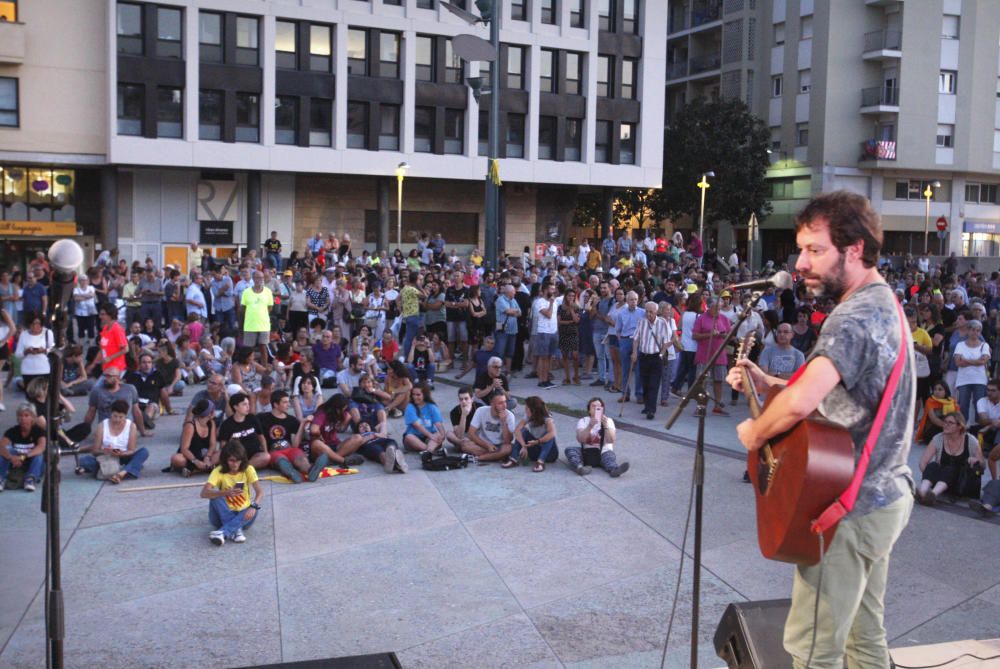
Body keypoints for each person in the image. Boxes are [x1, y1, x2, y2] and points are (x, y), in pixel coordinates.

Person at [726, 191, 915, 669]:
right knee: (865, 638)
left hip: (847, 511)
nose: (800, 263)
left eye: (815, 250)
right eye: (800, 250)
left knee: (813, 651)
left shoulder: (851, 316)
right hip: (883, 499)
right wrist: (771, 383)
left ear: (854, 249)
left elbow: (804, 402)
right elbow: (839, 393)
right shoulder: (881, 301)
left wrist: (754, 432)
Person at [200, 439, 265, 546]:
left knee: (255, 508)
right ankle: (235, 530)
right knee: (215, 496)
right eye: (232, 460)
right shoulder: (218, 471)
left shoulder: (248, 469)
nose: (235, 464)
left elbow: (260, 492)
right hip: (220, 517)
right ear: (225, 460)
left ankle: (223, 532)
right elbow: (203, 493)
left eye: (238, 460)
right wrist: (224, 493)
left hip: (243, 515)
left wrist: (253, 506)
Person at [916, 411, 986, 505]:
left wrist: (977, 461)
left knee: (950, 469)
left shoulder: (971, 440)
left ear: (959, 426)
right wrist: (931, 476)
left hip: (962, 484)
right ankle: (922, 492)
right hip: (941, 482)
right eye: (945, 422)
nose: (946, 425)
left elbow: (982, 465)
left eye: (950, 423)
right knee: (933, 465)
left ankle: (932, 495)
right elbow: (923, 462)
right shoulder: (938, 438)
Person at [259, 390, 324, 483]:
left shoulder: (291, 420)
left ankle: (310, 470)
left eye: (288, 402)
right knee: (281, 460)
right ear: (276, 404)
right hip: (274, 451)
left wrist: (302, 424)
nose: (288, 405)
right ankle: (291, 472)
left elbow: (295, 445)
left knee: (300, 458)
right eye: (285, 402)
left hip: (290, 449)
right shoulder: (262, 418)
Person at [76, 399, 148, 484]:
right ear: (111, 413)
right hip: (106, 457)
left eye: (121, 417)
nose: (117, 420)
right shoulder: (102, 425)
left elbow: (131, 450)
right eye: (115, 416)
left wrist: (121, 453)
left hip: (123, 457)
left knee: (144, 452)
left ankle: (121, 473)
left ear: (125, 415)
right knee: (84, 461)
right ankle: (129, 469)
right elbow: (95, 451)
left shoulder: (131, 426)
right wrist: (107, 451)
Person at [568, 397, 629, 477]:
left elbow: (611, 440)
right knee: (570, 450)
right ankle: (580, 468)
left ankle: (614, 470)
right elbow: (581, 439)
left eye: (599, 406)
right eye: (593, 406)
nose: (597, 408)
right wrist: (590, 426)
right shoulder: (583, 421)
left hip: (603, 452)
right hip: (587, 453)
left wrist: (606, 426)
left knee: (609, 456)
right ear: (589, 410)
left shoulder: (608, 420)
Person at [632, 301, 671, 420]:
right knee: (645, 383)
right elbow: (636, 339)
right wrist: (634, 352)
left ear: (656, 312)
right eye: (646, 311)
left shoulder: (662, 323)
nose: (648, 314)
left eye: (651, 312)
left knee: (654, 384)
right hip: (644, 356)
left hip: (656, 357)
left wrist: (661, 354)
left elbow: (667, 341)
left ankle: (651, 410)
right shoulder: (641, 322)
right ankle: (647, 405)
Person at [692, 296, 731, 415]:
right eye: (716, 308)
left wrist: (724, 336)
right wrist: (709, 335)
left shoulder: (724, 319)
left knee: (718, 381)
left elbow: (730, 335)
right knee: (702, 382)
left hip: (719, 355)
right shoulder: (701, 319)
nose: (718, 311)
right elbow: (695, 336)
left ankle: (717, 406)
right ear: (709, 307)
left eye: (720, 308)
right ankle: (700, 406)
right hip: (704, 355)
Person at [505, 396, 558, 472]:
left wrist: (537, 441)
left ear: (534, 410)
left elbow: (552, 433)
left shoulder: (547, 418)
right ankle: (513, 459)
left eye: (527, 408)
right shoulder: (528, 416)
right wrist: (523, 445)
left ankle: (540, 462)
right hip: (534, 451)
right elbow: (517, 430)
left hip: (549, 455)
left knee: (549, 435)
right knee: (523, 431)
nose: (525, 410)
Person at [0, 404, 46, 492]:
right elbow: (1, 446)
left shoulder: (39, 431)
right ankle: (1, 478)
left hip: (31, 463)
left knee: (39, 455)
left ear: (33, 417)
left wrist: (23, 457)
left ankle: (30, 479)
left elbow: (41, 447)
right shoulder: (12, 431)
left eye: (26, 415)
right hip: (15, 463)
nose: (22, 418)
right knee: (7, 449)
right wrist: (11, 457)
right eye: (20, 415)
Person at [218, 392, 269, 471]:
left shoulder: (253, 418)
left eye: (248, 404)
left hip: (254, 455)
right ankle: (243, 468)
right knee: (218, 456)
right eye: (244, 404)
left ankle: (242, 468)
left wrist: (265, 451)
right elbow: (223, 445)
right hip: (236, 455)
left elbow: (261, 437)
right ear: (235, 407)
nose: (248, 407)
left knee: (266, 457)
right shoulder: (227, 424)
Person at [952, 318, 990, 421]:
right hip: (963, 380)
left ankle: (978, 429)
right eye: (973, 329)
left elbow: (983, 362)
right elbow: (958, 363)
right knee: (963, 405)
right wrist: (975, 361)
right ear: (968, 330)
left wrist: (966, 360)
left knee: (979, 405)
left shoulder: (984, 345)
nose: (975, 332)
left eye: (978, 330)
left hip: (980, 380)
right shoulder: (960, 345)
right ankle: (963, 428)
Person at [170, 398, 218, 477]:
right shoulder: (190, 425)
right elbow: (184, 448)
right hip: (190, 456)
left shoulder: (211, 423)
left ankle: (194, 470)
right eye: (213, 410)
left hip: (204, 454)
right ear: (209, 413)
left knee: (224, 454)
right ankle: (206, 468)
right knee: (177, 459)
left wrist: (207, 457)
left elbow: (213, 444)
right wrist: (196, 461)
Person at [465, 391, 515, 463]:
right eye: (500, 403)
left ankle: (479, 458)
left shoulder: (510, 415)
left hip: (500, 446)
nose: (505, 406)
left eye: (505, 402)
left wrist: (504, 422)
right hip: (483, 444)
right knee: (465, 445)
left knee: (508, 448)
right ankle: (497, 456)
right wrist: (487, 445)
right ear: (492, 404)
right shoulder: (481, 411)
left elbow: (508, 441)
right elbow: (471, 433)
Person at [240, 270, 274, 362]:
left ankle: (264, 369)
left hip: (264, 325)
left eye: (262, 278)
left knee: (263, 348)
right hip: (249, 325)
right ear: (253, 278)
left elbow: (270, 307)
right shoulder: (246, 292)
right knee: (249, 350)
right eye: (258, 277)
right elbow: (243, 309)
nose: (260, 280)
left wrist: (261, 314)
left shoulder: (268, 292)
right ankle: (249, 367)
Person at [14, 312, 53, 390]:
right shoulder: (24, 334)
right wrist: (27, 351)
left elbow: (52, 350)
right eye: (32, 324)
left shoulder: (48, 333)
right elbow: (18, 354)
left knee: (43, 393)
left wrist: (44, 351)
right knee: (30, 394)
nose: (35, 326)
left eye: (38, 323)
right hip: (28, 370)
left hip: (43, 369)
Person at [402, 383, 446, 454]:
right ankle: (431, 451)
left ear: (425, 395)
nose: (415, 397)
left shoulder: (432, 407)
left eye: (418, 395)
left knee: (438, 435)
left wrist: (442, 435)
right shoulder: (410, 407)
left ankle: (427, 452)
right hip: (414, 436)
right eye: (413, 394)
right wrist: (431, 436)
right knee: (409, 437)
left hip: (429, 437)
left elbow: (438, 423)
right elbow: (417, 425)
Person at [915, 380, 960, 444]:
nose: (937, 391)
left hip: (948, 427)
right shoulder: (930, 401)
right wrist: (948, 427)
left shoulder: (952, 401)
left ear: (946, 391)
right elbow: (934, 419)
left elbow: (958, 416)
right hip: (933, 428)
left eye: (940, 389)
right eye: (935, 389)